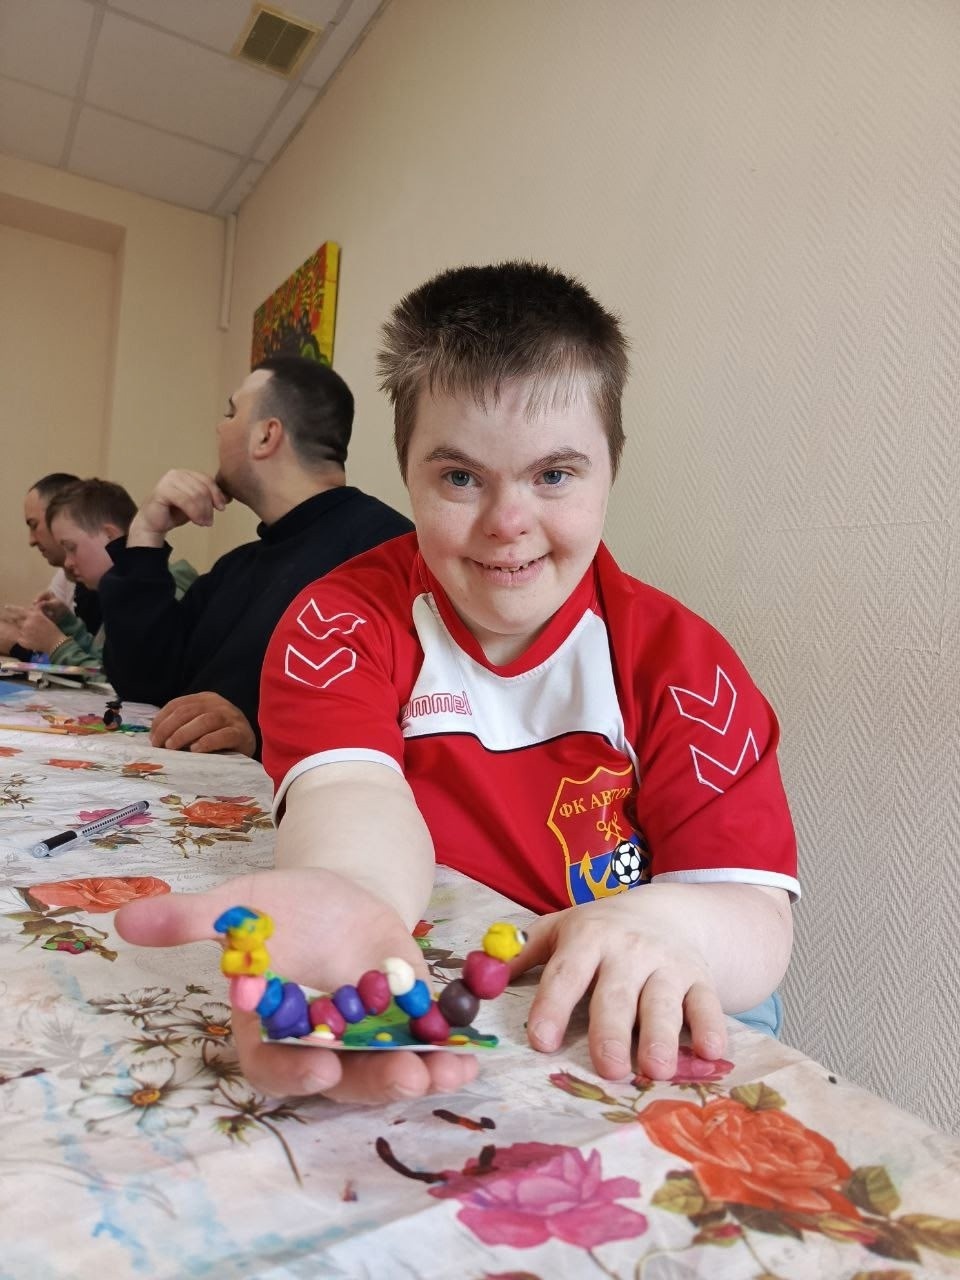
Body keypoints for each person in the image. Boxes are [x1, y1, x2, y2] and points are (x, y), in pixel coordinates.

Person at [117, 262, 797, 1107]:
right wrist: (351, 896)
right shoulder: (337, 622)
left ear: (611, 470)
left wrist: (659, 923)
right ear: (406, 471)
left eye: (554, 475)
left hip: (648, 993)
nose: (507, 524)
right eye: (461, 478)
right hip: (442, 985)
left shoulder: (684, 664)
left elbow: (753, 915)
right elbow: (352, 796)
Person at [98, 355, 413, 757]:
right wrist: (146, 533)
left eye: (231, 412)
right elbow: (143, 684)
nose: (220, 427)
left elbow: (410, 725)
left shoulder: (386, 552)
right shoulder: (236, 567)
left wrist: (257, 736)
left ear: (266, 436)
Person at [16, 479, 196, 671]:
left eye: (71, 548)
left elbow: (119, 683)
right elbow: (106, 663)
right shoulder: (124, 592)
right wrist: (66, 623)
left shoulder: (159, 598)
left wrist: (56, 645)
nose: (67, 562)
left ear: (110, 536)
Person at [0, 473, 101, 655]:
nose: (31, 541)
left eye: (34, 525)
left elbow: (96, 667)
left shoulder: (112, 581)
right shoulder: (67, 573)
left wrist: (20, 647)